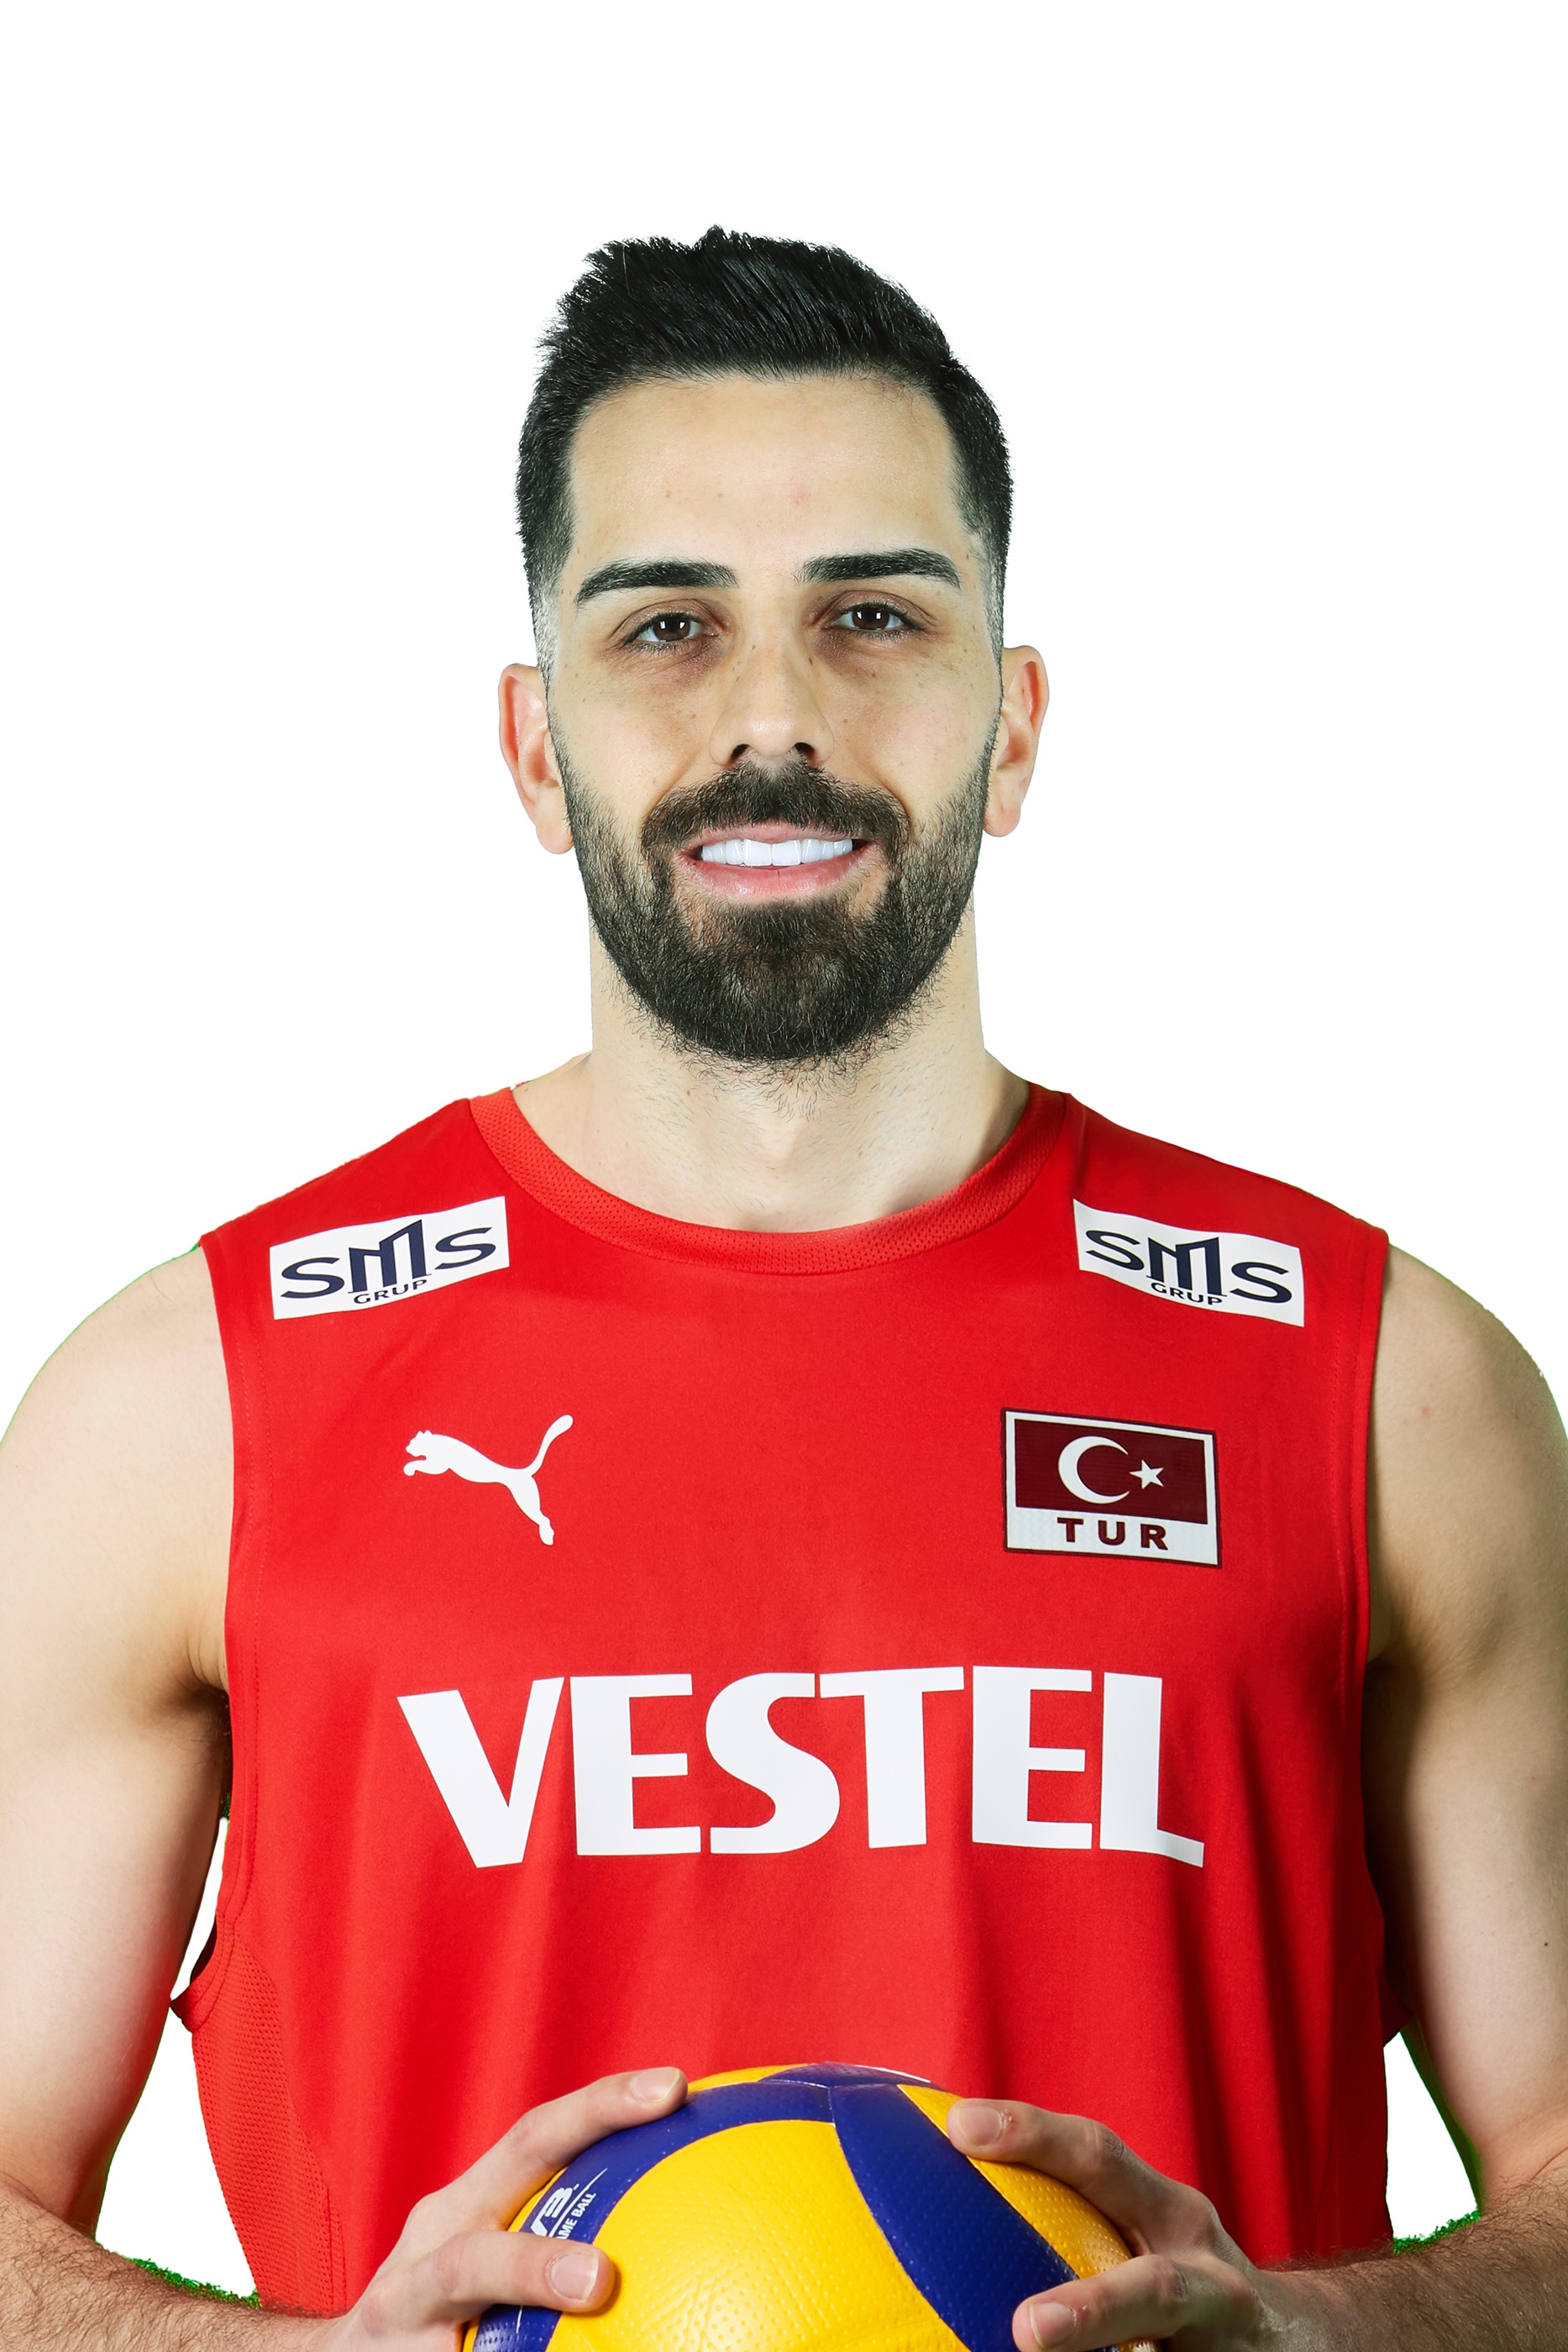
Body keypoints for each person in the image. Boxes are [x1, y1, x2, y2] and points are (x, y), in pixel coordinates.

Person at [1, 227, 1565, 2352]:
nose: (770, 716)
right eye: (665, 627)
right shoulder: (187, 1402)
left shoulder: (1382, 1381)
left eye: (872, 617)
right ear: (533, 746)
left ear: (1012, 727)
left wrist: (1327, 2331)